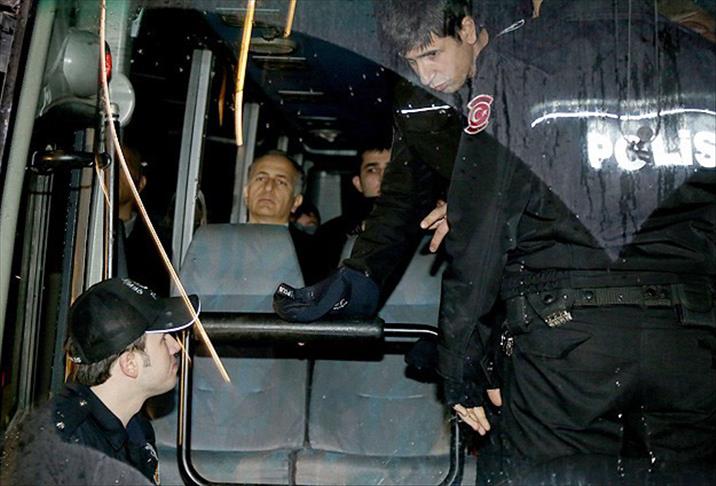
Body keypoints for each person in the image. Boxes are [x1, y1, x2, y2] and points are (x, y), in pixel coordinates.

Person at [380, 0, 716, 481]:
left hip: (565, 340)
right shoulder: (701, 58)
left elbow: (483, 229)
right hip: (690, 339)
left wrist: (461, 363)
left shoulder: (517, 59)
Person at [55, 277, 200, 484]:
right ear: (130, 364)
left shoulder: (135, 428)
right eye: (163, 339)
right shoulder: (68, 453)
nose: (176, 347)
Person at [243, 150, 324, 284]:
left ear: (296, 201)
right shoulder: (219, 245)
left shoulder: (314, 254)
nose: (268, 187)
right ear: (246, 193)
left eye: (281, 182)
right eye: (261, 179)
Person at [314, 141, 392, 271]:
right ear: (358, 183)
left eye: (393, 169)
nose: (384, 178)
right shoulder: (329, 235)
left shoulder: (424, 226)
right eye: (372, 170)